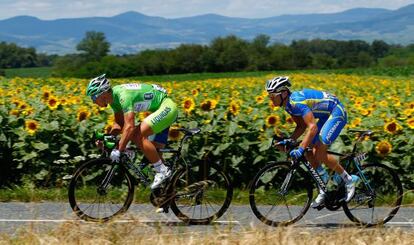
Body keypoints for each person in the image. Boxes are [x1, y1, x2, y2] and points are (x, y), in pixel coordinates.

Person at [265, 76, 359, 209]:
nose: (270, 98)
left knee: (319, 152)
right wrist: (290, 141)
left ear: (284, 93)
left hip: (336, 112)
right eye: (269, 95)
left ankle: (348, 180)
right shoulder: (288, 106)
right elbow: (301, 126)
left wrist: (300, 148)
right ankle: (324, 185)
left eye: (272, 95)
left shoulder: (296, 102)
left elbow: (312, 127)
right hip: (325, 116)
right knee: (309, 152)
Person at [86, 74, 178, 189]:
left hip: (166, 108)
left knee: (137, 135)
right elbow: (120, 125)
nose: (93, 101)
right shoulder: (113, 101)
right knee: (154, 154)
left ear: (103, 93)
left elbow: (129, 126)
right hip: (158, 111)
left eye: (93, 98)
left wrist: (120, 149)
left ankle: (162, 171)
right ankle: (166, 197)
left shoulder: (123, 96)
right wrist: (107, 138)